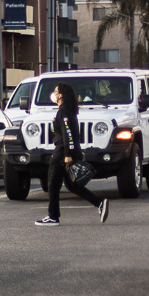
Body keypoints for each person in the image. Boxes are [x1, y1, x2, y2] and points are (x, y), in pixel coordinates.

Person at [36, 83, 109, 227]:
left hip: (63, 151)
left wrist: (67, 154)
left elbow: (68, 133)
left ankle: (53, 217)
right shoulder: (67, 110)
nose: (54, 94)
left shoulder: (63, 111)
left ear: (61, 95)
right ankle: (99, 203)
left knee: (53, 184)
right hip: (67, 149)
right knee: (72, 185)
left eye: (56, 91)